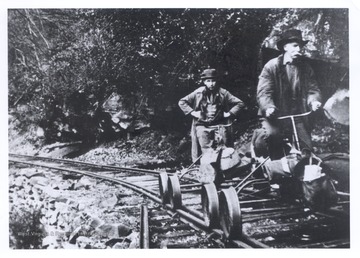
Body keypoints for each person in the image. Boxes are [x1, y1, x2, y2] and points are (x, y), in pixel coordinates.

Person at [255, 29, 322, 160]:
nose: (299, 49)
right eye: (295, 46)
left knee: (306, 148)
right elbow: (264, 92)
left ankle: (300, 173)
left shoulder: (305, 68)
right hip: (275, 115)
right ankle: (275, 169)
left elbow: (313, 89)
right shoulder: (272, 66)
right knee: (273, 136)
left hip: (296, 115)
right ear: (285, 47)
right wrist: (268, 107)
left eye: (300, 46)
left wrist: (314, 101)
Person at [178, 68, 245, 162]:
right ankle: (206, 169)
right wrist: (193, 112)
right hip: (202, 125)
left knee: (224, 148)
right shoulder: (198, 93)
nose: (211, 83)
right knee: (206, 148)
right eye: (208, 81)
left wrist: (229, 114)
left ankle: (225, 169)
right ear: (204, 82)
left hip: (219, 124)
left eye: (213, 80)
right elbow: (182, 102)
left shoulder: (223, 93)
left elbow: (240, 103)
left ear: (216, 81)